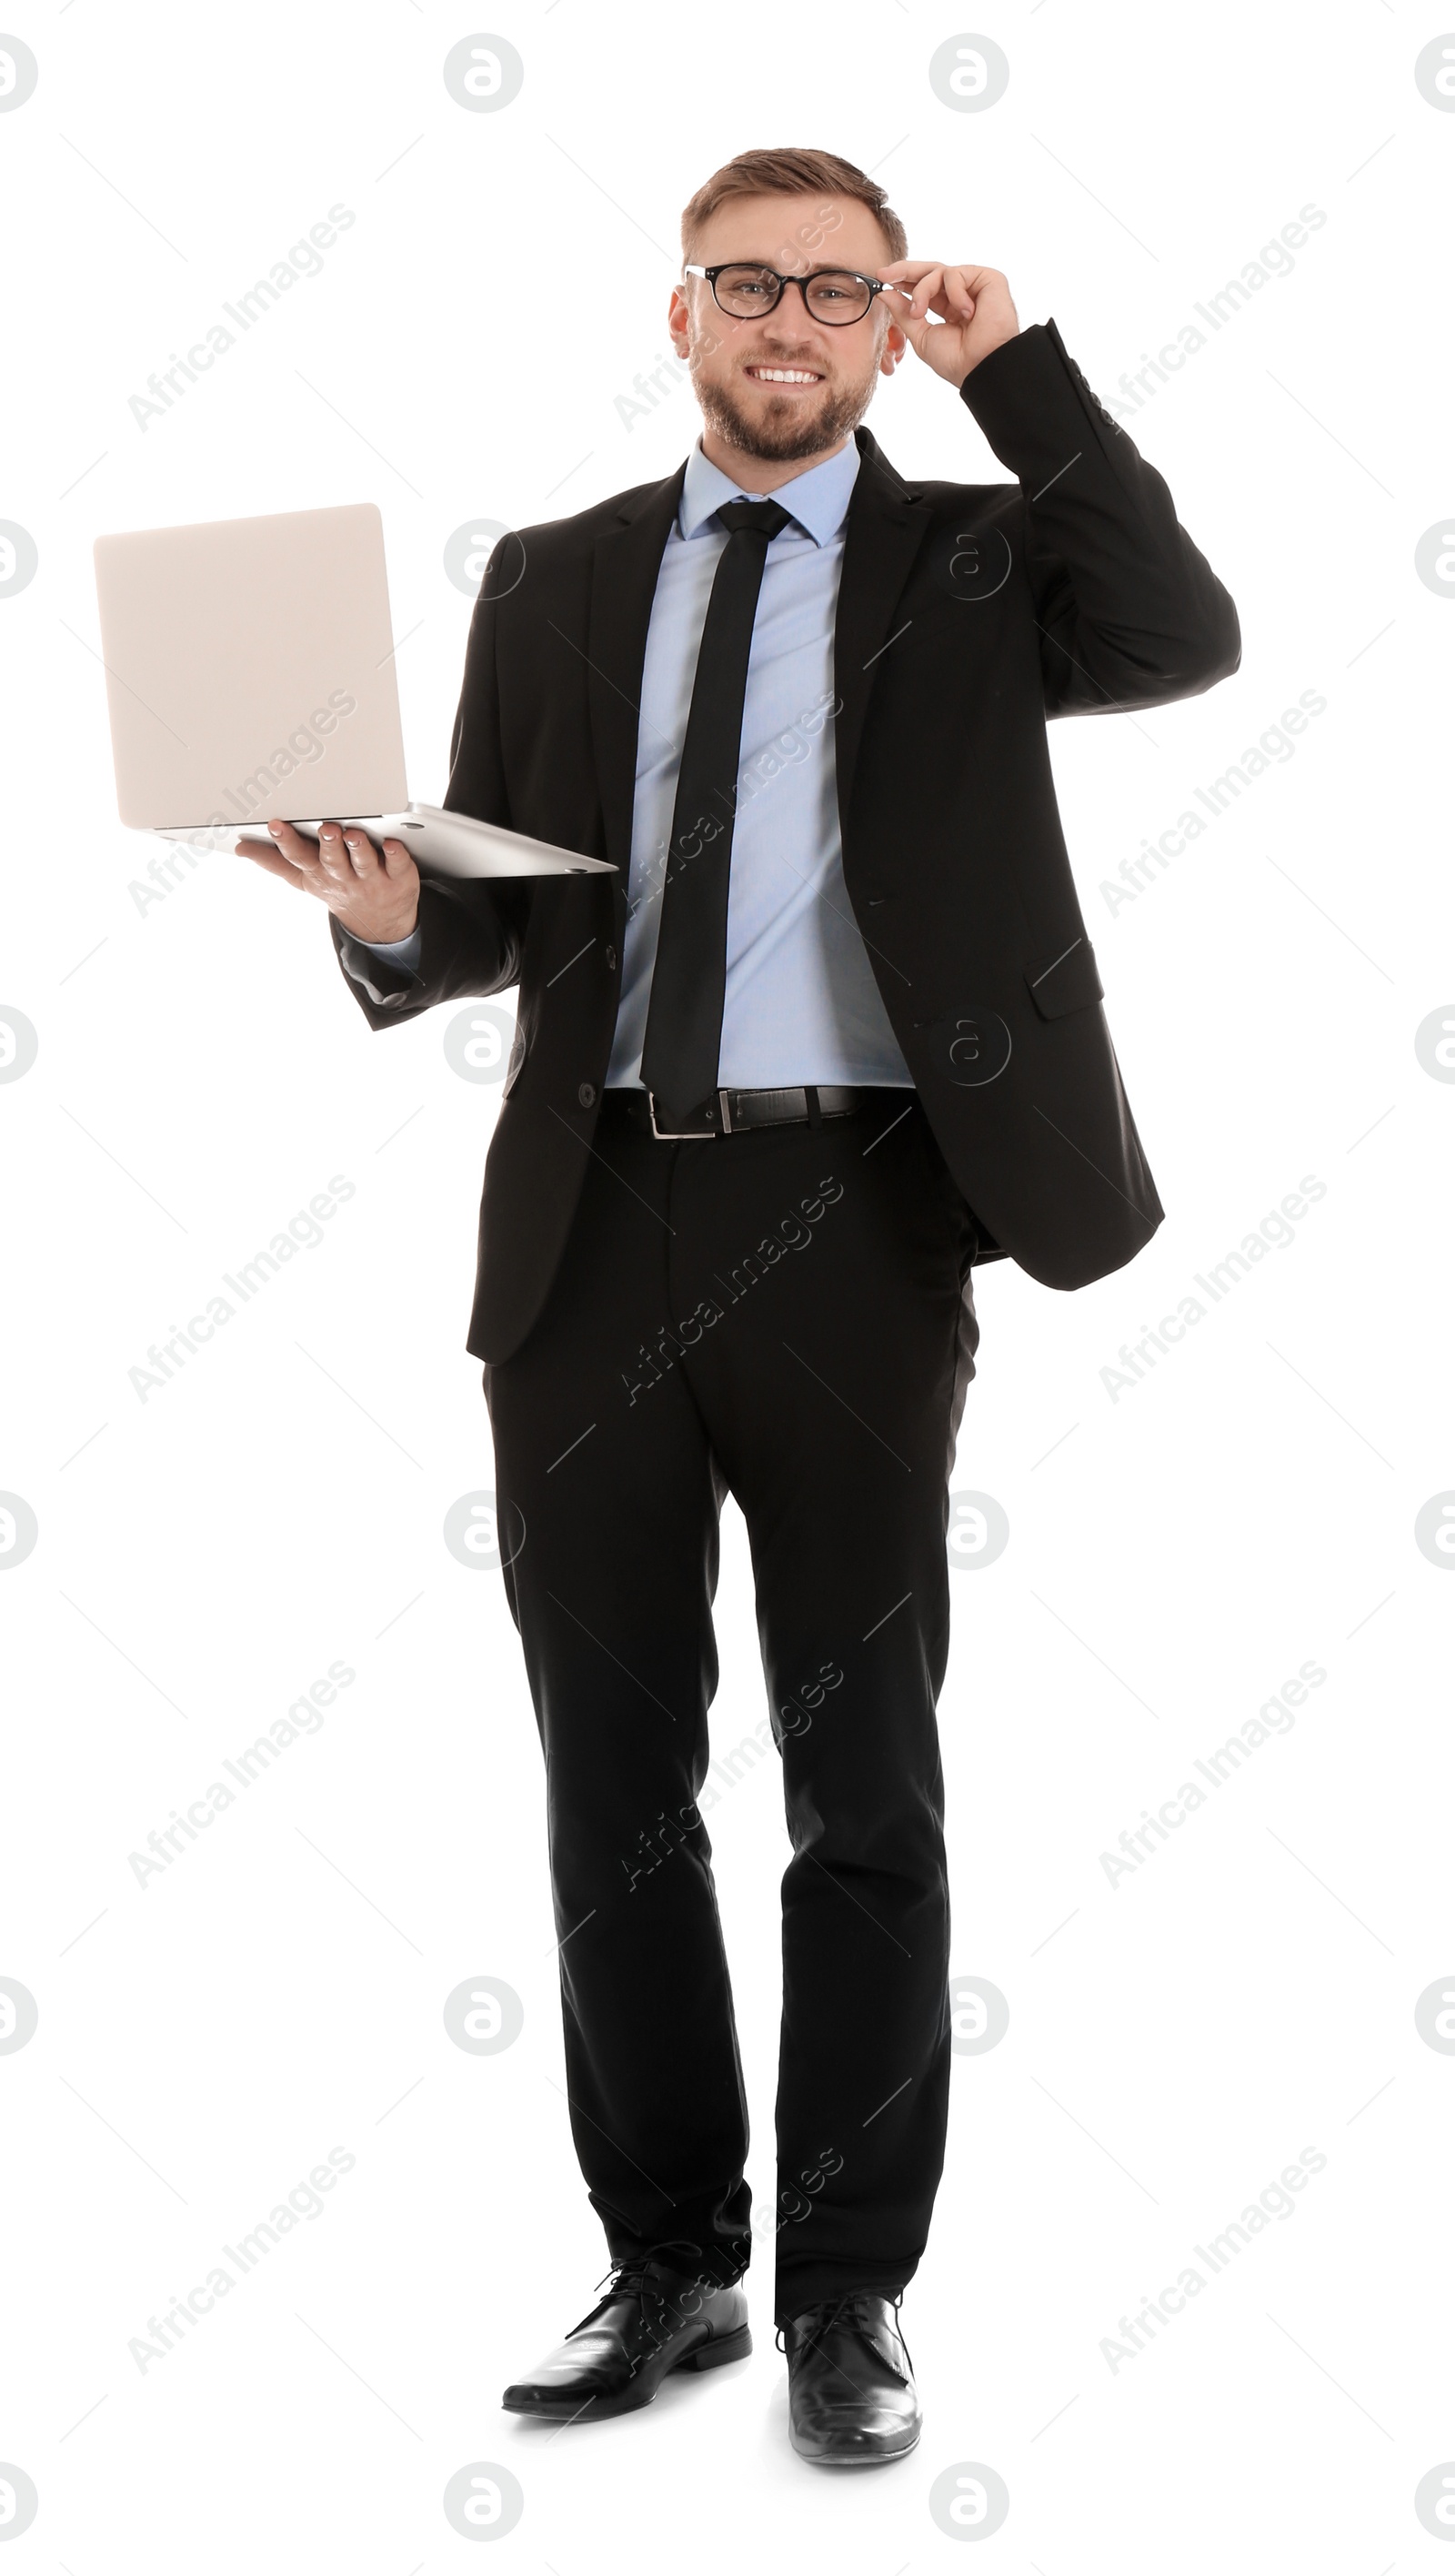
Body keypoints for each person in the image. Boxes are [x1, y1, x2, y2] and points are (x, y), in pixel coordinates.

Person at [236, 144, 1239, 2469]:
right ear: (675, 313)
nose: (787, 325)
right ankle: (672, 2263)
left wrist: (1029, 374)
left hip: (864, 1226)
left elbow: (1184, 634)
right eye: (744, 287)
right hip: (588, 1231)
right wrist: (383, 908)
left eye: (839, 295)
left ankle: (849, 2291)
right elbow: (502, 911)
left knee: (859, 1780)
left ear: (892, 328)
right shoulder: (561, 575)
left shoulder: (977, 563)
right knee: (613, 1788)